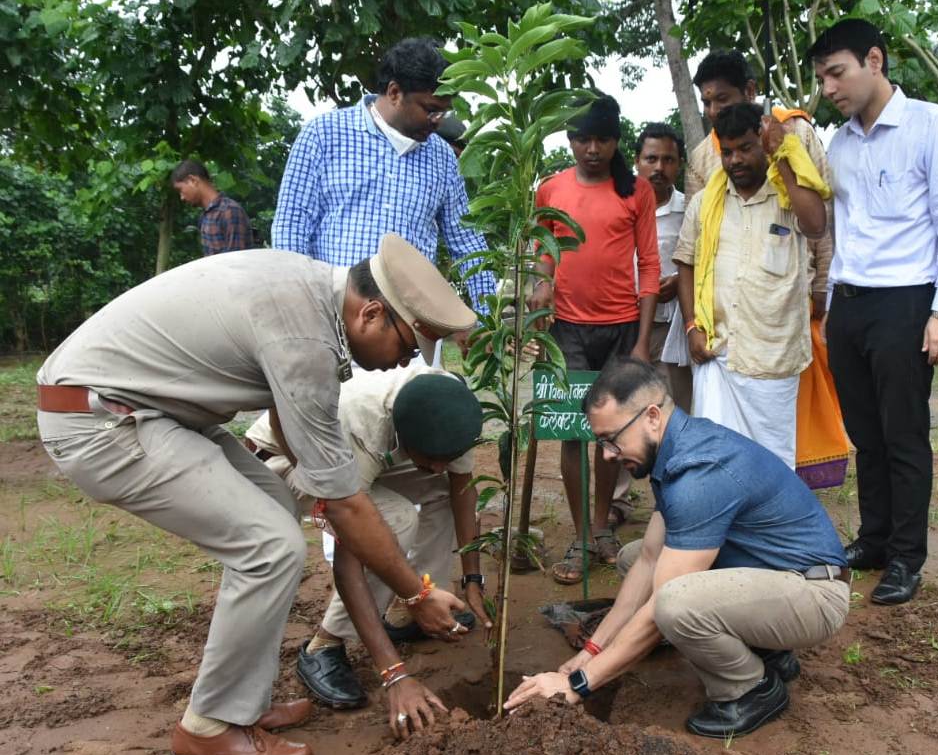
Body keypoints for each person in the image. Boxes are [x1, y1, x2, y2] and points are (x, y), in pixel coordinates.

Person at [35, 234, 475, 755]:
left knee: (271, 504)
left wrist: (327, 490)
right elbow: (346, 506)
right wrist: (418, 594)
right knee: (270, 547)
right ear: (372, 313)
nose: (407, 360)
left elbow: (302, 446)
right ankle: (209, 728)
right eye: (409, 345)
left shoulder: (309, 290)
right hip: (101, 420)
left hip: (147, 408)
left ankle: (240, 702)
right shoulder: (305, 340)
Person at [504, 357, 849, 739]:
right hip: (776, 576)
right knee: (634, 557)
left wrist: (578, 684)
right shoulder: (679, 446)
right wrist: (592, 650)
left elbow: (658, 610)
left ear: (652, 416)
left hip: (815, 593)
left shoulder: (698, 474)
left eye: (611, 440)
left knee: (674, 602)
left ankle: (751, 688)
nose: (606, 455)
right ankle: (767, 651)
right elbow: (650, 559)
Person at [808, 19, 938, 605]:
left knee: (904, 435)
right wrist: (832, 307)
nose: (829, 87)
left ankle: (907, 557)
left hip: (907, 302)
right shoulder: (840, 143)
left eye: (838, 72)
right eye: (822, 77)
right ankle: (875, 538)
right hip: (850, 306)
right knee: (865, 435)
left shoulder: (930, 126)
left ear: (874, 60)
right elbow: (840, 231)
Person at [243, 365, 494, 708]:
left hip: (372, 454)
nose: (440, 467)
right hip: (286, 460)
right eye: (433, 459)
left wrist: (473, 580)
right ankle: (325, 645)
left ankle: (418, 609)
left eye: (446, 459)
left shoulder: (451, 410)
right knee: (395, 520)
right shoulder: (360, 424)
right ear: (404, 437)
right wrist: (393, 672)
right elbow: (351, 551)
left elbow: (462, 490)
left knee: (440, 492)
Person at [682, 50, 847, 487]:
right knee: (714, 459)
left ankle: (776, 534)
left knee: (773, 462)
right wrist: (691, 325)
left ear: (750, 94)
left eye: (723, 98)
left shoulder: (793, 137)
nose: (733, 159)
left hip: (774, 340)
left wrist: (822, 287)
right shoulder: (704, 164)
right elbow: (692, 255)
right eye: (708, 103)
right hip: (720, 342)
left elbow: (819, 224)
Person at [529, 94, 660, 584]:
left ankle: (602, 527)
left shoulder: (636, 191)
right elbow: (543, 254)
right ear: (569, 139)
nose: (591, 148)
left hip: (622, 327)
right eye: (582, 138)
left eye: (601, 139)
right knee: (570, 430)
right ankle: (582, 535)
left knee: (611, 432)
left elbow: (649, 263)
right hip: (566, 327)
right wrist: (538, 291)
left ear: (615, 141)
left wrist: (643, 341)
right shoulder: (551, 189)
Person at [272, 37, 495, 318]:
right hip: (333, 319)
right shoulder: (323, 135)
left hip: (413, 328)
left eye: (444, 111)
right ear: (394, 92)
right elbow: (291, 228)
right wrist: (300, 310)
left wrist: (490, 318)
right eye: (430, 109)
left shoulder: (442, 158)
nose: (438, 120)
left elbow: (467, 243)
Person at [611, 122, 690, 528]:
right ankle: (617, 502)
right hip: (626, 327)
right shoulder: (619, 201)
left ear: (679, 165)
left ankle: (674, 504)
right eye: (651, 158)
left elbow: (692, 262)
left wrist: (677, 284)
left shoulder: (688, 208)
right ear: (637, 160)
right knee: (624, 414)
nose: (659, 167)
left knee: (672, 416)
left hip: (672, 330)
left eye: (668, 160)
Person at [170, 159, 255, 256]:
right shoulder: (206, 215)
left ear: (193, 180)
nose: (182, 197)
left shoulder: (229, 211)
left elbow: (236, 263)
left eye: (180, 190)